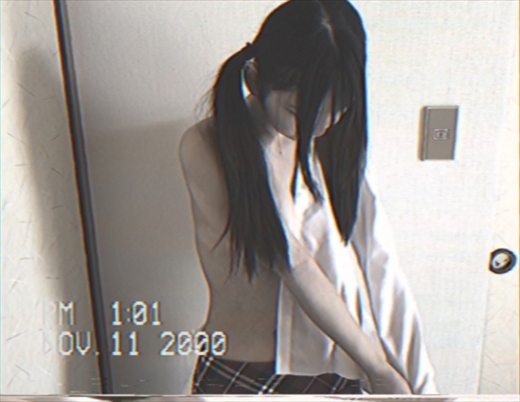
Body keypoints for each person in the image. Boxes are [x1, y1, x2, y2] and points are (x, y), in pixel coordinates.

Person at [179, 0, 437, 395]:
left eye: (337, 109)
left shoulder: (328, 150)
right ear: (255, 79)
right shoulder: (209, 144)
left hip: (336, 366)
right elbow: (292, 260)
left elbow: (379, 262)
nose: (320, 126)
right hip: (244, 373)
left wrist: (419, 383)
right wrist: (377, 367)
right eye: (300, 110)